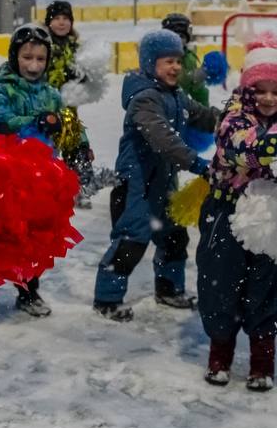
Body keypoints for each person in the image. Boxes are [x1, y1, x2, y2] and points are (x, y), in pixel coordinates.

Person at [92, 29, 220, 322]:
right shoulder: (144, 99)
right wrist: (197, 163)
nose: (175, 67)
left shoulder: (176, 96)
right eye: (168, 61)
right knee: (131, 241)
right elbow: (163, 139)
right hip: (137, 185)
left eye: (178, 61)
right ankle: (107, 298)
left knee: (174, 237)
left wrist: (232, 117)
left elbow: (204, 116)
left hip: (163, 182)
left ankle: (169, 289)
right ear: (151, 63)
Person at [196, 33, 277, 390]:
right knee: (219, 283)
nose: (268, 98)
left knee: (263, 286)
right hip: (226, 211)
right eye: (261, 90)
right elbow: (242, 150)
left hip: (268, 215)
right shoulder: (233, 117)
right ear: (247, 88)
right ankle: (220, 354)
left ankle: (262, 361)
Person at [0, 23, 64, 318]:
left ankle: (28, 291)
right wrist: (36, 120)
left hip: (37, 177)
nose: (34, 65)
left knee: (31, 236)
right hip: (2, 175)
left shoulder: (52, 94)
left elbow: (67, 123)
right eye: (27, 57)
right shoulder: (1, 88)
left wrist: (78, 143)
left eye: (40, 59)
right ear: (14, 57)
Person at [43, 0, 97, 206]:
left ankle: (80, 189)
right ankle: (47, 190)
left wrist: (81, 77)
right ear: (48, 22)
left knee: (78, 147)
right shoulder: (43, 44)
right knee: (46, 149)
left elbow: (87, 74)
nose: (61, 22)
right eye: (56, 18)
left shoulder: (75, 47)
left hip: (68, 109)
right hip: (45, 108)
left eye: (66, 18)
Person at [161, 12, 209, 106]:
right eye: (175, 36)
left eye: (182, 36)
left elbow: (198, 95)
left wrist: (197, 83)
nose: (178, 40)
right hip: (160, 107)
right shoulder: (158, 58)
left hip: (179, 108)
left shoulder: (189, 59)